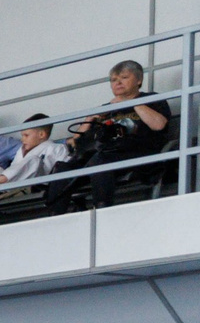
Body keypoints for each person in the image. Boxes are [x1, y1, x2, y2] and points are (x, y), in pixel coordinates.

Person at [45, 60, 180, 213]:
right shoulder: (105, 109)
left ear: (139, 80)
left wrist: (132, 103)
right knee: (63, 168)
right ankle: (55, 217)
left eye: (124, 78)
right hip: (103, 154)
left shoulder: (151, 99)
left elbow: (159, 124)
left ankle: (102, 212)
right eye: (114, 80)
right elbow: (76, 143)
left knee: (100, 160)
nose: (118, 83)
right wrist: (90, 119)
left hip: (137, 153)